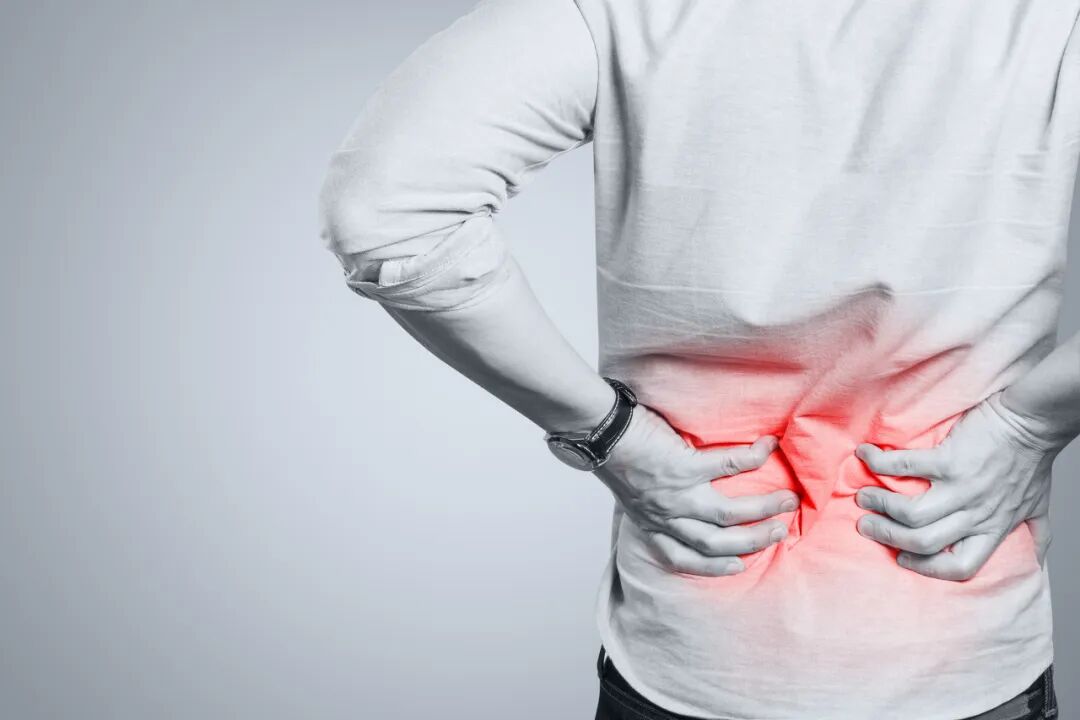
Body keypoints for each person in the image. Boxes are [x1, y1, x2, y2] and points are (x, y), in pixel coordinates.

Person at [317, 0, 1080, 717]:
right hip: (955, 627)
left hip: (701, 637)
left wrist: (608, 433)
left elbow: (384, 203)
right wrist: (1032, 423)